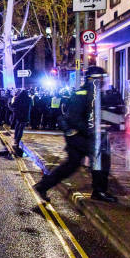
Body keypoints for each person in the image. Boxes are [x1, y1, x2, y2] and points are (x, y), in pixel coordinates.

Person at [34, 66, 117, 203]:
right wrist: (92, 131)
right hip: (78, 136)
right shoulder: (83, 94)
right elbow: (75, 118)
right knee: (100, 159)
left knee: (71, 165)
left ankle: (43, 185)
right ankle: (99, 191)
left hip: (80, 135)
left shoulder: (93, 94)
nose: (103, 82)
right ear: (93, 80)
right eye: (101, 79)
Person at [10, 88, 31, 157]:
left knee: (17, 127)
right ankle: (17, 140)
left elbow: (12, 106)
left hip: (19, 115)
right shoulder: (29, 99)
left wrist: (15, 110)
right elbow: (31, 107)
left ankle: (15, 139)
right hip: (25, 116)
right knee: (21, 129)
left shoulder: (18, 98)